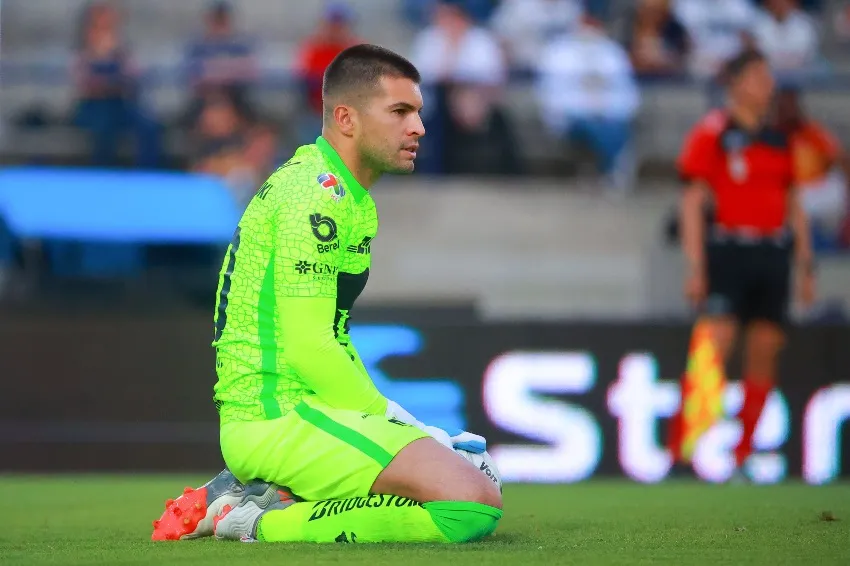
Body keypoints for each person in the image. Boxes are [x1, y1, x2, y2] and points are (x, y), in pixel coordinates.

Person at [151, 44, 502, 544]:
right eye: (400, 112)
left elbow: (333, 336)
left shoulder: (350, 199)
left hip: (313, 410)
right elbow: (311, 347)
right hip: (276, 417)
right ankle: (254, 521)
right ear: (346, 118)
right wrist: (412, 428)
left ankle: (269, 492)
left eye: (419, 113)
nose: (418, 128)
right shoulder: (313, 197)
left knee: (477, 476)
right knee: (470, 504)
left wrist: (408, 428)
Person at [667, 49, 815, 480]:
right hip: (728, 249)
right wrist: (696, 266)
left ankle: (744, 454)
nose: (767, 84)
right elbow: (692, 202)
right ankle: (683, 453)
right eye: (758, 76)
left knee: (765, 351)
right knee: (713, 349)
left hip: (772, 252)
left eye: (768, 76)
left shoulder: (780, 138)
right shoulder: (712, 133)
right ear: (735, 83)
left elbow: (794, 203)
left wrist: (805, 264)